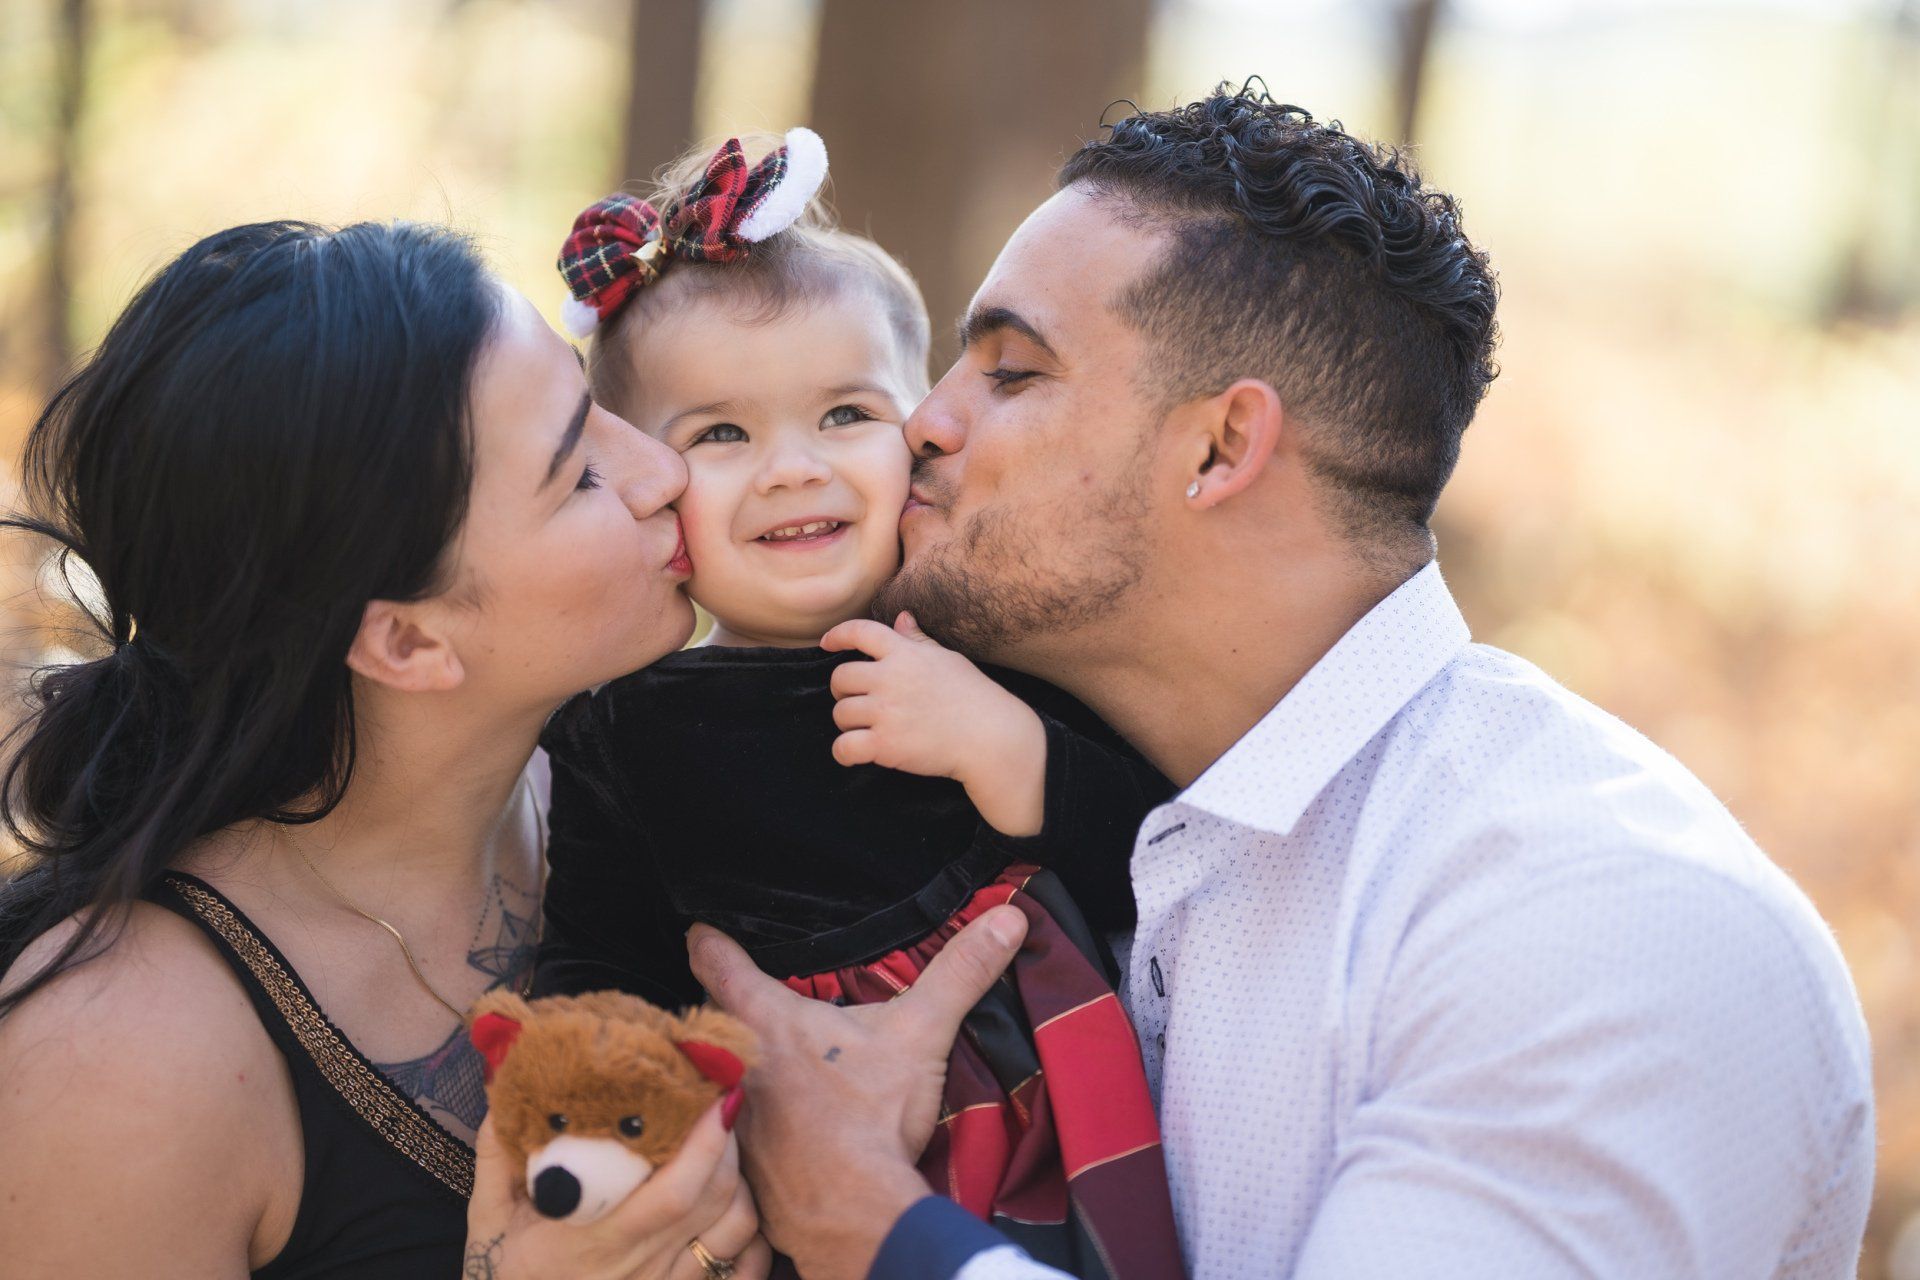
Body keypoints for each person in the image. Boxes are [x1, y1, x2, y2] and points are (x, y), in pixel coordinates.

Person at [687, 85, 1877, 1279]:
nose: (921, 424)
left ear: (1220, 449)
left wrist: (869, 1221)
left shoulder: (1598, 920)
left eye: (1011, 370)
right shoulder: (997, 795)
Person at [0, 219, 767, 1279]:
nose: (662, 472)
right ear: (406, 639)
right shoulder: (117, 1056)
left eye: (603, 411)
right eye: (579, 471)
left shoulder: (647, 771)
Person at [536, 130, 1182, 1277]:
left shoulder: (991, 643)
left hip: (1057, 1109)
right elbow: (600, 962)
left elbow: (1168, 854)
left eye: (844, 415)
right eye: (722, 433)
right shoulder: (626, 728)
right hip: (776, 1153)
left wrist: (1014, 749)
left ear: (921, 429)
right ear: (648, 482)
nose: (794, 466)